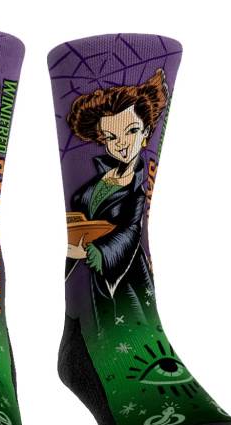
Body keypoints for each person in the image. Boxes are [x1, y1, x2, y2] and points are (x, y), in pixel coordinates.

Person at [64, 69, 169, 330]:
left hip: (122, 269)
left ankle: (93, 332)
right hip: (87, 267)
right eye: (111, 137)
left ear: (146, 132)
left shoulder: (136, 188)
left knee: (119, 311)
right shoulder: (98, 179)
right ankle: (81, 326)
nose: (121, 143)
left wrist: (95, 252)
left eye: (131, 131)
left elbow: (132, 229)